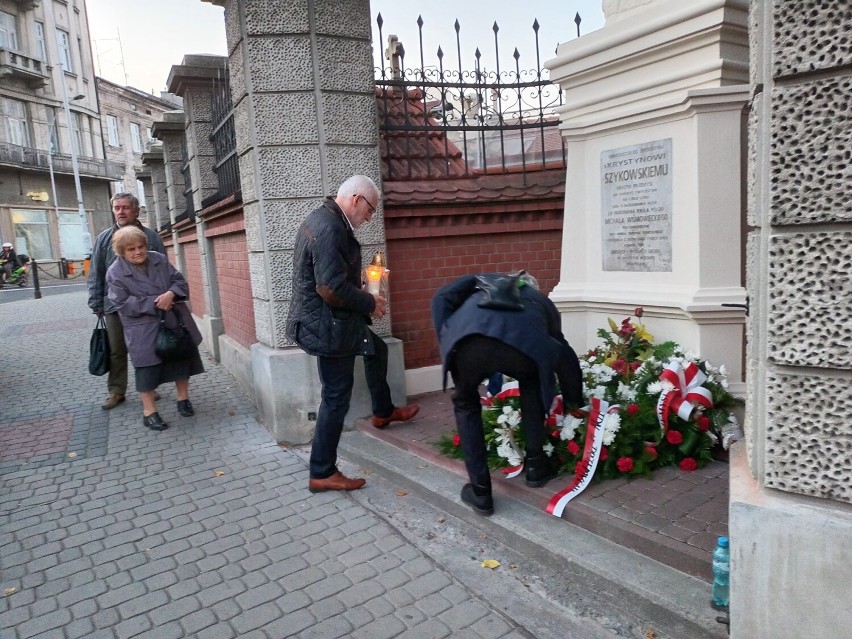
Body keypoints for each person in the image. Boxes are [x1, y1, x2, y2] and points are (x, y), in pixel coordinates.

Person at [286, 175, 420, 493]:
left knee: (378, 349)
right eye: (370, 210)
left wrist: (358, 288)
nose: (370, 218)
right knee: (335, 398)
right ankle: (322, 471)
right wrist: (369, 301)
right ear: (357, 200)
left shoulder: (325, 220)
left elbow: (330, 277)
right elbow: (330, 288)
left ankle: (383, 412)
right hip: (328, 326)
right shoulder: (330, 227)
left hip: (331, 322)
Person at [431, 272, 583, 515]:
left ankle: (480, 492)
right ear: (531, 287)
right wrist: (574, 402)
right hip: (521, 348)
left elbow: (441, 297)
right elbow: (563, 355)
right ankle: (535, 467)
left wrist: (446, 340)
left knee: (466, 404)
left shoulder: (477, 283)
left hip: (468, 343)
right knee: (531, 381)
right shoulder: (540, 300)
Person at [106, 226, 204, 431]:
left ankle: (183, 400)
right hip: (142, 329)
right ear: (122, 252)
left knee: (181, 360)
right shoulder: (115, 272)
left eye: (140, 246)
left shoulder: (158, 258)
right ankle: (149, 412)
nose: (137, 252)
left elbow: (179, 281)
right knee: (146, 370)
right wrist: (156, 302)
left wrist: (171, 293)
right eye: (130, 249)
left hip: (173, 320)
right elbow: (121, 303)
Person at [88, 193, 166, 410]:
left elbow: (164, 270)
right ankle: (116, 390)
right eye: (116, 208)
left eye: (125, 208)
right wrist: (96, 302)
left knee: (147, 347)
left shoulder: (151, 237)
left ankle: (150, 385)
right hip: (114, 305)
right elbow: (97, 272)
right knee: (116, 349)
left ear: (136, 211)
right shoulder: (104, 238)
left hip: (147, 304)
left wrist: (165, 298)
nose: (120, 212)